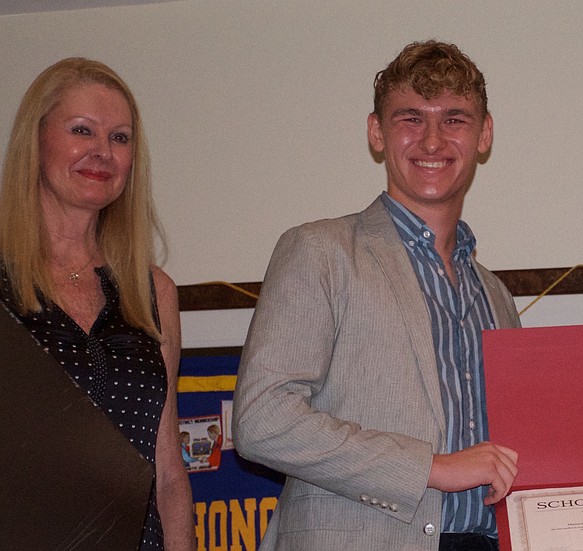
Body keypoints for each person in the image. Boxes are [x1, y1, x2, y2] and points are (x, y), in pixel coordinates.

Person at [233, 40, 520, 551]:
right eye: (410, 118)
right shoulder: (319, 251)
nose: (432, 140)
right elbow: (261, 419)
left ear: (485, 134)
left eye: (454, 119)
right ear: (376, 132)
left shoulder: (496, 295)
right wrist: (431, 469)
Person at [0, 58, 195, 550]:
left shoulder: (154, 292)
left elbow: (169, 471)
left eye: (120, 138)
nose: (102, 153)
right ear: (36, 140)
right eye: (82, 130)